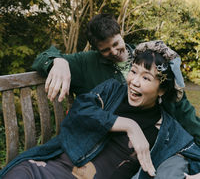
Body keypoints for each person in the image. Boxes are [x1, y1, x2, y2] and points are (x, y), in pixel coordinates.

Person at [1, 43, 200, 179]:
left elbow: (190, 152)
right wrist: (130, 126)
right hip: (55, 166)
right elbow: (80, 111)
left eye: (146, 78)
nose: (134, 82)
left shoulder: (165, 130)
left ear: (162, 90)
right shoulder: (112, 91)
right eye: (133, 71)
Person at [32, 14, 200, 148]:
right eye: (105, 50)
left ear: (121, 34)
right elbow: (42, 58)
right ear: (96, 49)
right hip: (109, 140)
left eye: (116, 43)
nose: (114, 52)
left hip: (150, 136)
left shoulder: (144, 56)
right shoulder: (87, 62)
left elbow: (180, 105)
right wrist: (58, 61)